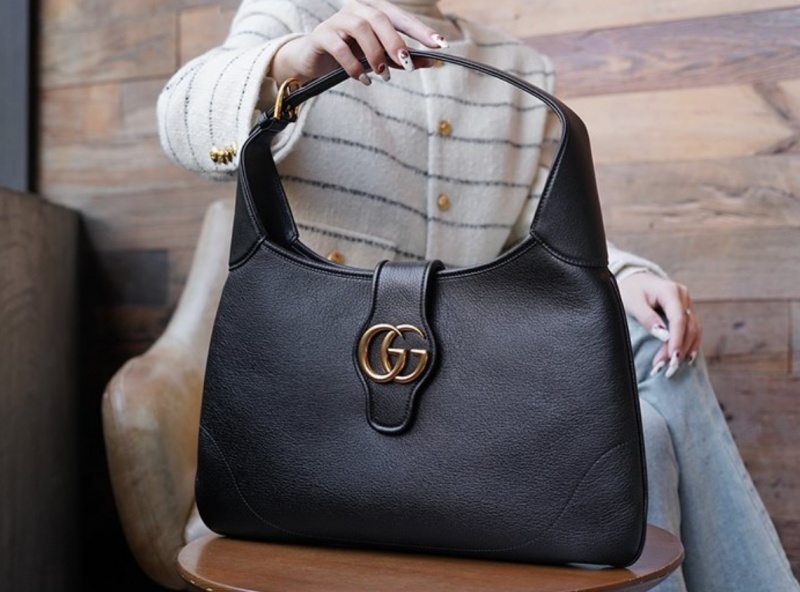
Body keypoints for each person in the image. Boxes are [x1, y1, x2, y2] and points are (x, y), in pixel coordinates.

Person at [156, 1, 800, 590]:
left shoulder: (522, 67)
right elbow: (182, 122)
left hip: (477, 376)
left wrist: (628, 277)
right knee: (647, 436)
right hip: (312, 389)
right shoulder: (297, 13)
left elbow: (537, 235)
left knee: (663, 347)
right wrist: (287, 63)